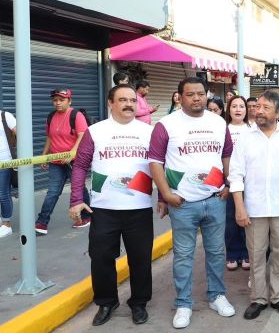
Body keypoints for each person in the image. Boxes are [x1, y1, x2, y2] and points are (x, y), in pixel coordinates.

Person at [148, 77, 236, 329]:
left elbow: (226, 154)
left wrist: (228, 184)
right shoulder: (166, 124)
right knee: (184, 255)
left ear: (207, 95)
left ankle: (217, 296)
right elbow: (155, 162)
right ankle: (184, 303)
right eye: (190, 94)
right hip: (183, 202)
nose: (197, 98)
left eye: (201, 93)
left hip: (215, 199)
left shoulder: (218, 122)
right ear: (179, 97)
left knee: (217, 252)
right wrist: (166, 194)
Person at [69, 85, 154, 326]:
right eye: (123, 100)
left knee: (140, 259)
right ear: (110, 103)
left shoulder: (148, 132)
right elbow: (80, 166)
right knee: (101, 258)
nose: (129, 104)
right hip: (103, 208)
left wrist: (167, 198)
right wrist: (76, 199)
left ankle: (139, 303)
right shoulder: (95, 131)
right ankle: (107, 302)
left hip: (139, 207)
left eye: (132, 100)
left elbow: (161, 165)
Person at [229, 91, 279, 320]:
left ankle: (278, 296)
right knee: (256, 255)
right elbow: (235, 175)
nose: (259, 110)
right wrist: (239, 207)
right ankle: (259, 298)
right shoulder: (245, 137)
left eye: (265, 107)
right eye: (258, 106)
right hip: (254, 209)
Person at [35, 88, 92, 235]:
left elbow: (82, 135)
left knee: (78, 188)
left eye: (61, 100)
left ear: (69, 101)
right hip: (56, 161)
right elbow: (50, 137)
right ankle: (42, 222)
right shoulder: (51, 116)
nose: (58, 103)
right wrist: (44, 155)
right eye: (55, 100)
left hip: (74, 161)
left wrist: (72, 152)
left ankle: (86, 216)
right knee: (53, 192)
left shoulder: (76, 115)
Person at [224, 96, 251, 272]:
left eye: (242, 106)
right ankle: (233, 254)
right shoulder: (223, 129)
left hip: (249, 183)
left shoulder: (253, 129)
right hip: (229, 182)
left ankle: (247, 254)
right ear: (229, 109)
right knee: (231, 220)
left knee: (248, 219)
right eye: (234, 106)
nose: (238, 109)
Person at [0, 108, 16, 238]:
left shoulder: (5, 116)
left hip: (5, 162)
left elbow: (21, 135)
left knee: (3, 193)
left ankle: (7, 224)